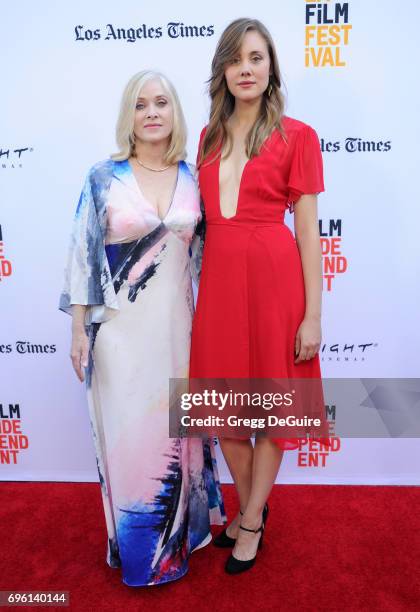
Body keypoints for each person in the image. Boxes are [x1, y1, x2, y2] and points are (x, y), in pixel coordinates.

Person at [59, 70, 225, 587]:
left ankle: (179, 545)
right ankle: (141, 555)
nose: (151, 112)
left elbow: (209, 256)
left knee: (181, 442)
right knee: (134, 448)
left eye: (161, 103)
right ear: (128, 116)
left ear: (175, 113)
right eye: (140, 105)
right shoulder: (102, 177)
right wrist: (80, 330)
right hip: (121, 339)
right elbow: (83, 257)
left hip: (181, 335)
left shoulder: (195, 176)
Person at [190, 18, 327, 574]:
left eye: (257, 58)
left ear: (271, 69)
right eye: (236, 59)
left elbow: (310, 233)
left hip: (276, 285)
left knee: (272, 411)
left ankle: (248, 521)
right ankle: (255, 508)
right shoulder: (206, 137)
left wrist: (313, 314)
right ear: (222, 70)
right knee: (223, 413)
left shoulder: (299, 135)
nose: (246, 69)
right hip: (219, 285)